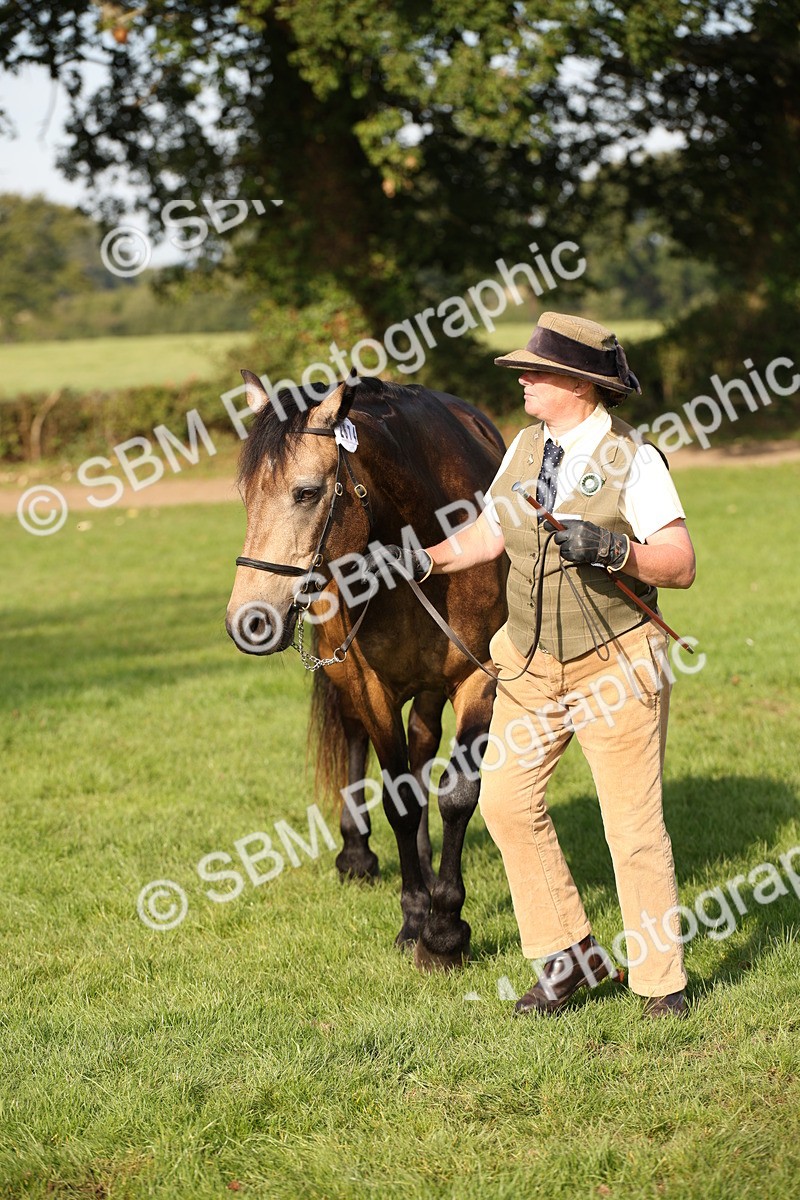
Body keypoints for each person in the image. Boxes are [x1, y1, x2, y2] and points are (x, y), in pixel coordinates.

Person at [362, 311, 696, 1018]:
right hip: (531, 663)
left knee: (631, 828)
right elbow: (486, 533)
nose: (523, 379)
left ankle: (660, 982)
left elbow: (681, 564)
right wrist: (420, 559)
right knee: (507, 805)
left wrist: (614, 550)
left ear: (581, 383)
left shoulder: (635, 460)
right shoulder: (521, 448)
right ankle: (568, 957)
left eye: (537, 371)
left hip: (618, 664)